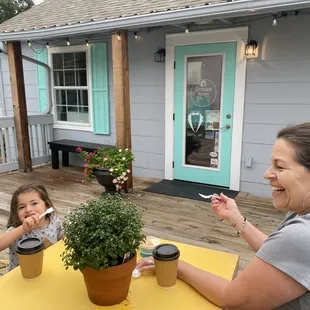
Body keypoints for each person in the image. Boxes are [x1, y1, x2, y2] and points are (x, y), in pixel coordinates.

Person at [136, 122, 310, 309]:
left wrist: (176, 266)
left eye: (280, 167)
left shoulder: (301, 234)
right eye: (271, 164)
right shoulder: (300, 214)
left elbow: (232, 299)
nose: (267, 174)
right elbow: (281, 254)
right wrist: (236, 219)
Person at [0, 184, 63, 271]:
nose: (28, 209)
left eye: (34, 203)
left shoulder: (54, 221)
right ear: (16, 213)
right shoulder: (17, 231)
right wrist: (22, 229)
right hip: (22, 276)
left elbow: (62, 239)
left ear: (46, 206)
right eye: (22, 207)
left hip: (48, 270)